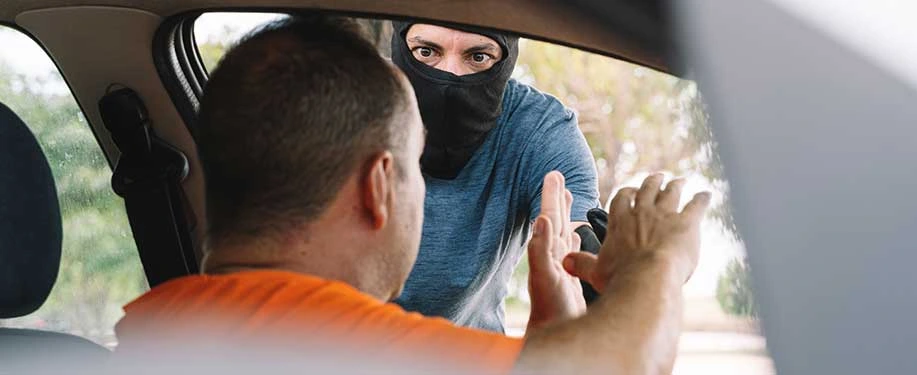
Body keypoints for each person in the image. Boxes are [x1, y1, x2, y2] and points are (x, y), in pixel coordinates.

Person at [114, 16, 710, 375]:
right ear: (379, 187)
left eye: (476, 56)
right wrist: (657, 263)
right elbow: (618, 368)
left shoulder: (150, 329)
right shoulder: (355, 347)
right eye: (413, 170)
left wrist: (555, 330)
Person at [389, 22, 602, 332]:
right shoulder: (349, 106)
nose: (452, 75)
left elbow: (574, 238)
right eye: (426, 52)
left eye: (477, 57)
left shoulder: (539, 129)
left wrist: (614, 273)